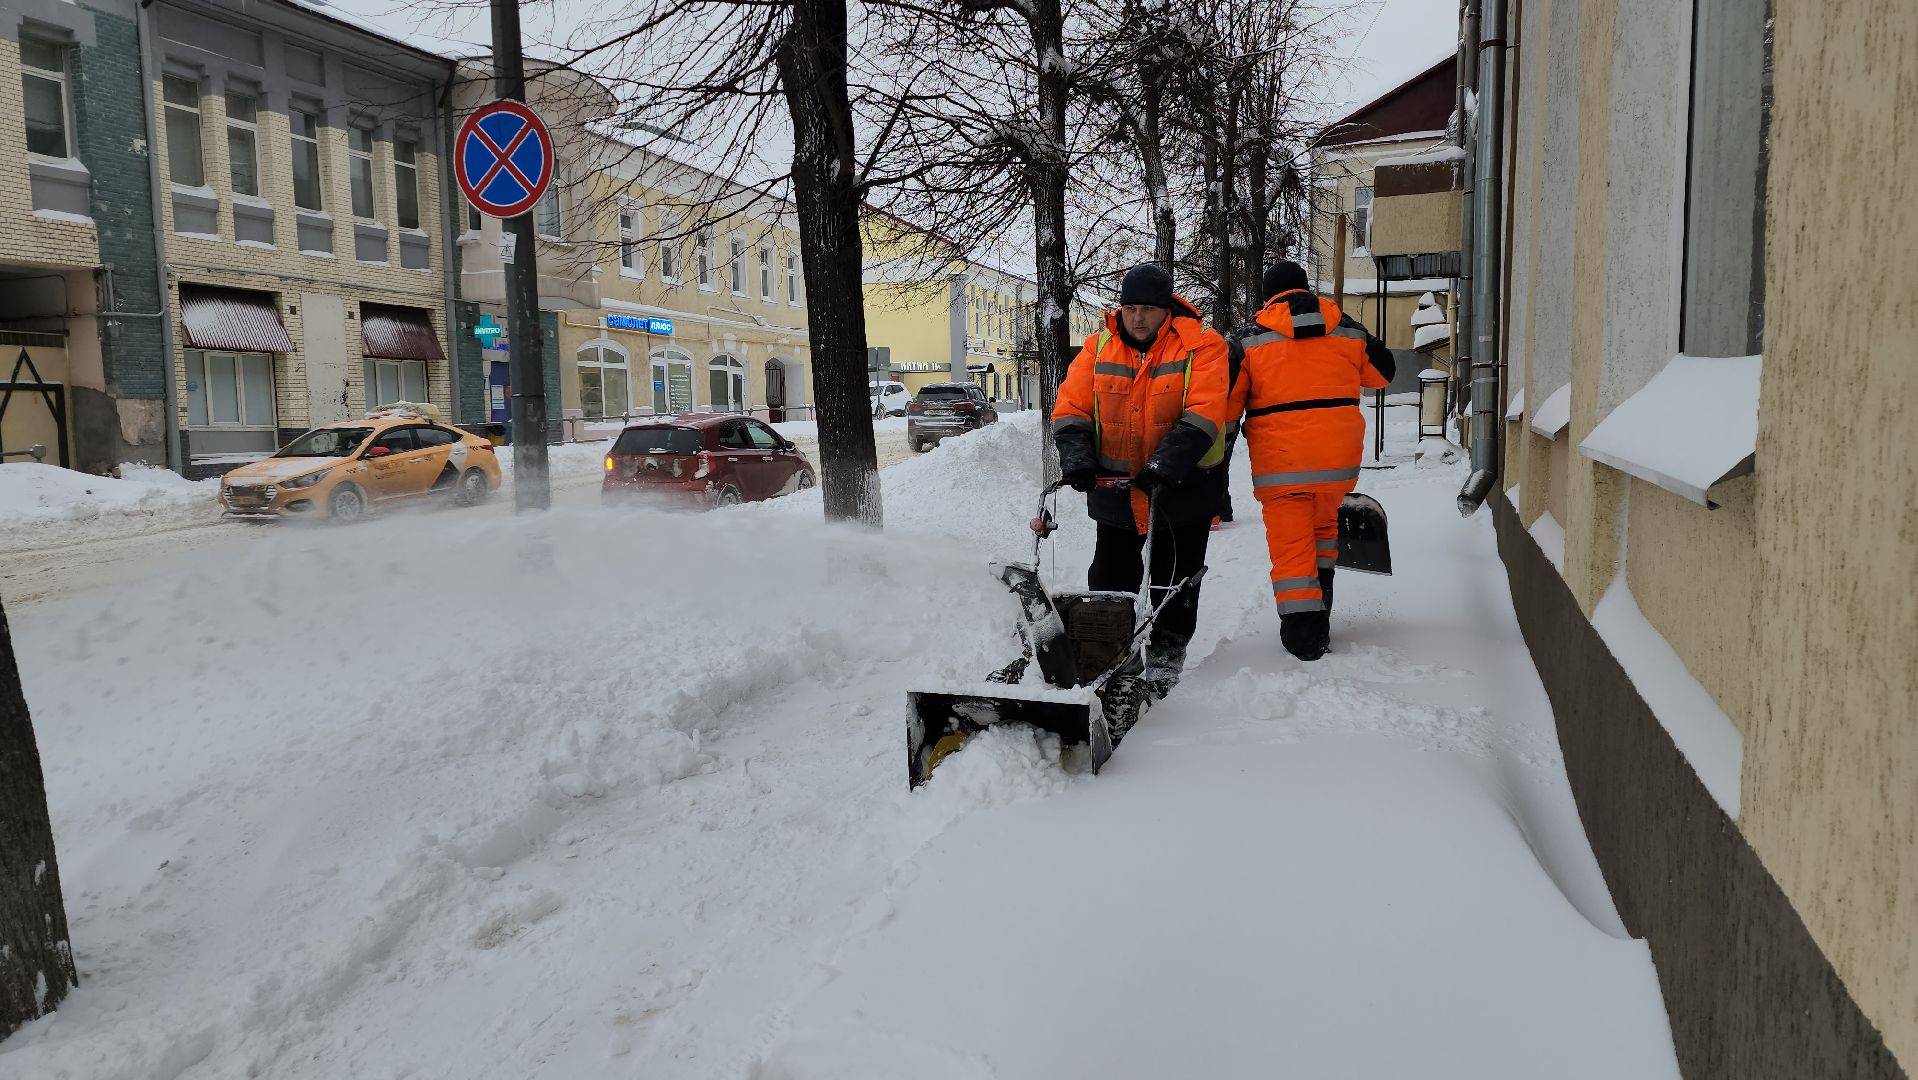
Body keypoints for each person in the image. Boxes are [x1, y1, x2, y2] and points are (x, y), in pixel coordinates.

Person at [1052, 263, 1231, 697]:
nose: (1137, 317)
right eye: (1130, 308)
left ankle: (1167, 653)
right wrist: (1077, 457)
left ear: (1166, 309)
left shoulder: (1201, 346)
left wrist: (1165, 465)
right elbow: (1072, 407)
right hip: (1116, 491)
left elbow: (1205, 412)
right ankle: (1115, 653)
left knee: (1174, 581)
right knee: (1109, 579)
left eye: (1147, 309)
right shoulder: (1098, 348)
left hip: (1181, 489)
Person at [1230, 261, 1395, 661]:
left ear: (1268, 298)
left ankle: (1304, 639)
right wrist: (1354, 332)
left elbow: (1226, 404)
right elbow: (1383, 373)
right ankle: (1321, 621)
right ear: (1306, 290)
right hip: (1336, 466)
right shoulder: (1347, 331)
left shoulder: (1249, 340)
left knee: (1292, 550)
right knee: (1322, 537)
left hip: (1282, 468)